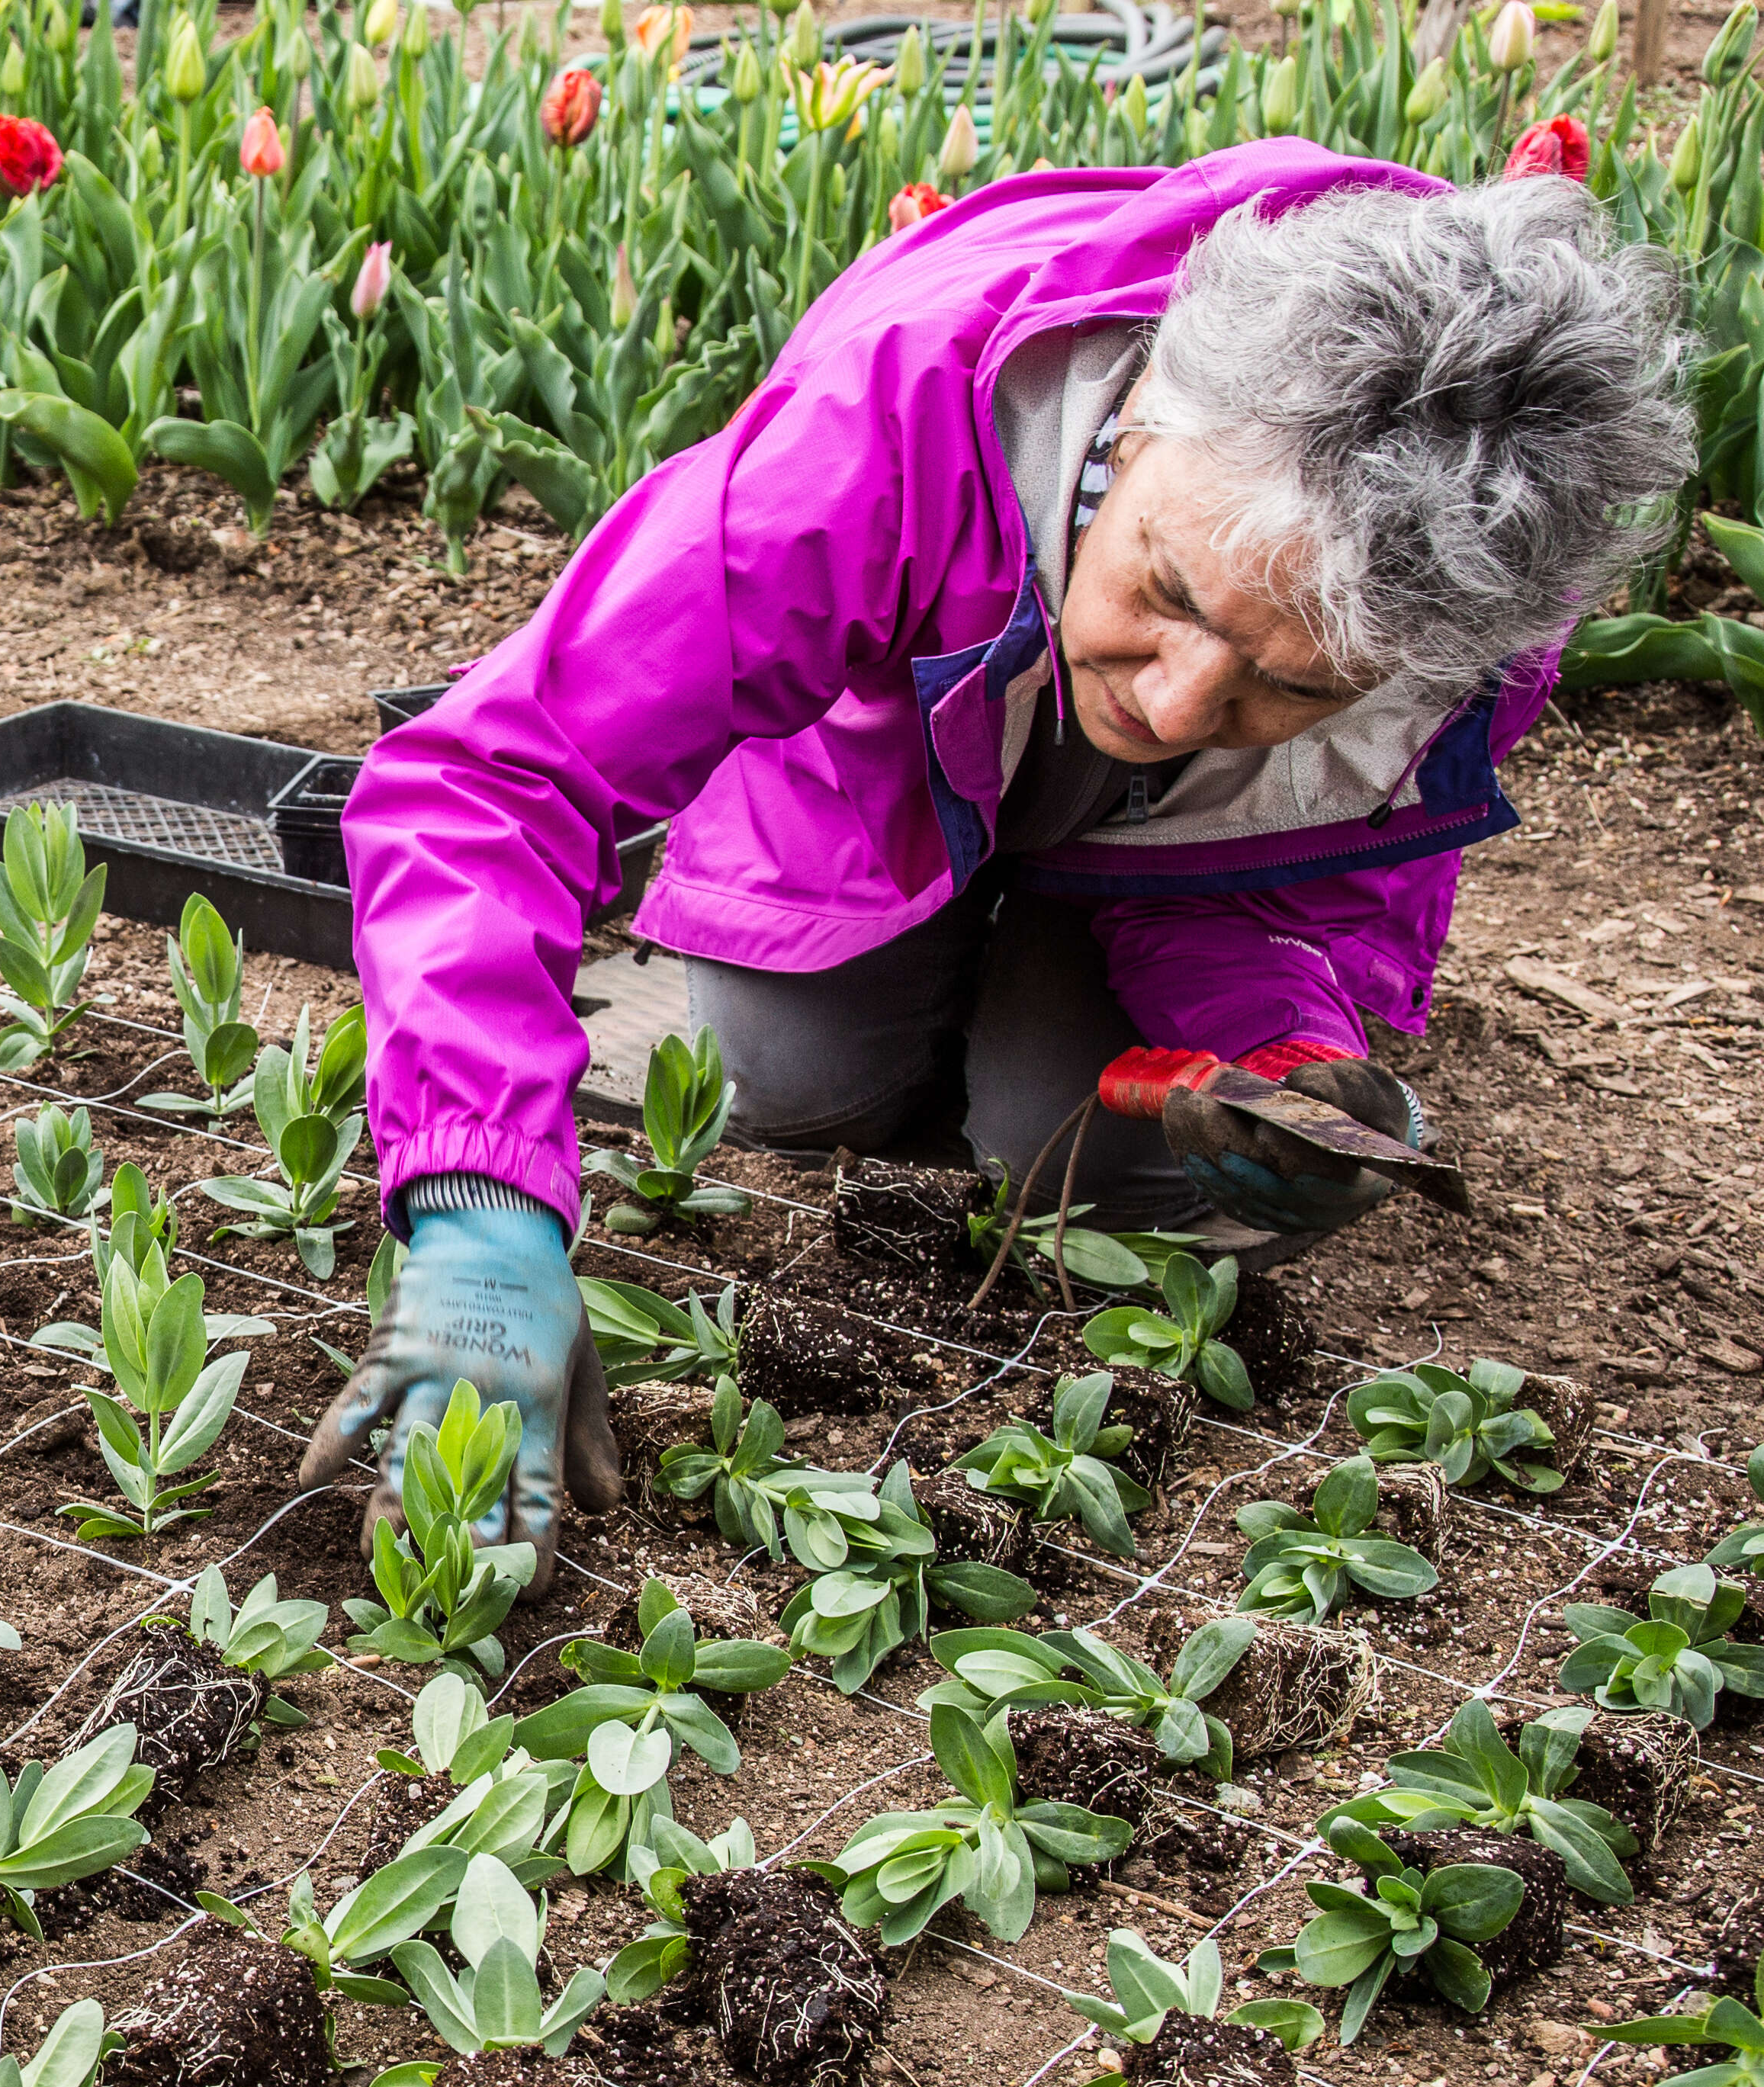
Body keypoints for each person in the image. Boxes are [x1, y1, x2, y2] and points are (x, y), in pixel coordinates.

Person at [308, 144, 1691, 1585]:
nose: (1169, 706)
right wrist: (479, 1211)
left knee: (1104, 1158)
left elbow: (1302, 873)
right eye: (1164, 592)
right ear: (1142, 415)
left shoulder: (1459, 592)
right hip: (894, 734)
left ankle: (1055, 942)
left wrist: (1282, 1052)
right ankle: (942, 936)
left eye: (1283, 689)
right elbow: (494, 776)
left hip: (1158, 857)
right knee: (780, 1073)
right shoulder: (891, 430)